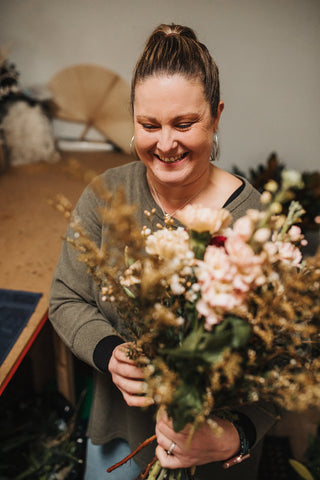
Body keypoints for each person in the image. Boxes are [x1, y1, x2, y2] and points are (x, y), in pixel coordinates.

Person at [49, 23, 279, 480]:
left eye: (184, 123)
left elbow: (288, 358)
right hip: (119, 441)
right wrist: (108, 350)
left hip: (211, 458)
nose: (165, 143)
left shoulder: (255, 222)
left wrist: (236, 436)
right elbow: (65, 298)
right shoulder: (106, 197)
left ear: (216, 116)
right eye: (149, 125)